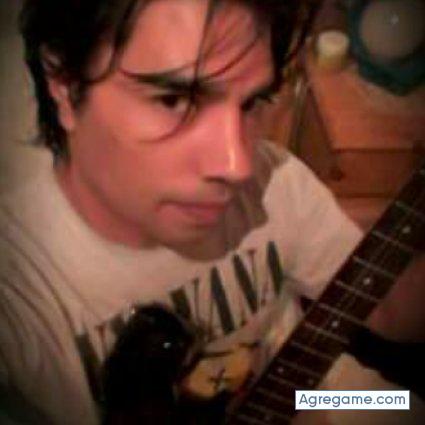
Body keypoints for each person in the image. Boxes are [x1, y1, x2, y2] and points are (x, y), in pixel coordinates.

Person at [0, 0, 423, 424]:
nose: (238, 165)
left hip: (302, 396)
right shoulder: (17, 283)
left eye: (251, 102)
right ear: (66, 86)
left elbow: (393, 315)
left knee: (402, 405)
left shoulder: (275, 181)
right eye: (174, 99)